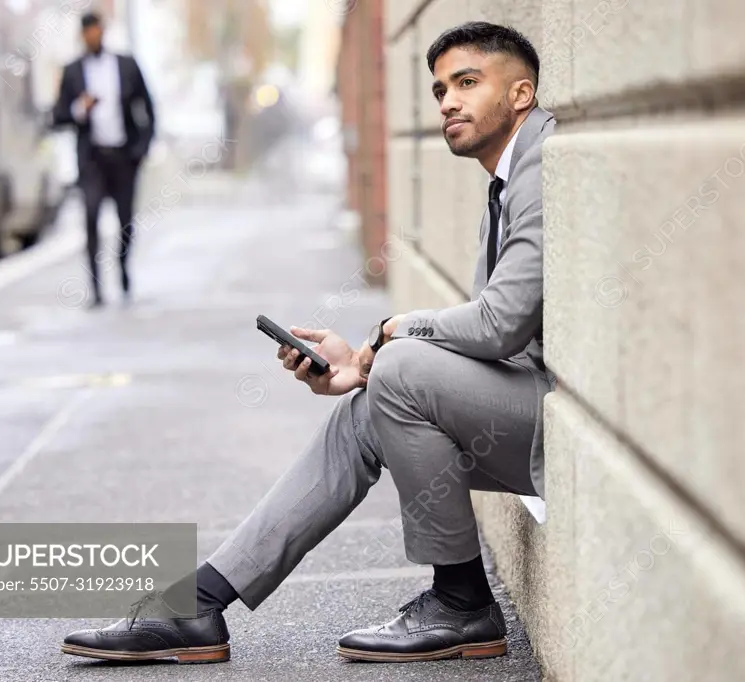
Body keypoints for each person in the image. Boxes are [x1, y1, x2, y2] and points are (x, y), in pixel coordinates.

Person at [61, 22, 555, 665]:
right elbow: (487, 341)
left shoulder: (541, 165)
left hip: (548, 424)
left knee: (401, 366)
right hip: (516, 406)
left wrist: (392, 334)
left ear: (520, 94)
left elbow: (501, 325)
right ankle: (200, 604)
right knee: (361, 415)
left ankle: (461, 604)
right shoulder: (503, 178)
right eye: (439, 91)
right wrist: (360, 365)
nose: (448, 103)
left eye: (467, 83)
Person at [52, 12, 155, 307]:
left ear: (102, 31)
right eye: (87, 33)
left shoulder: (126, 65)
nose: (92, 37)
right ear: (82, 35)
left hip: (124, 156)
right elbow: (58, 116)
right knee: (91, 217)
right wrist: (78, 108)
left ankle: (122, 269)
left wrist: (143, 147)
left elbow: (147, 107)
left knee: (125, 222)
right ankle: (95, 287)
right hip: (92, 158)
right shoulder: (72, 71)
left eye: (96, 31)